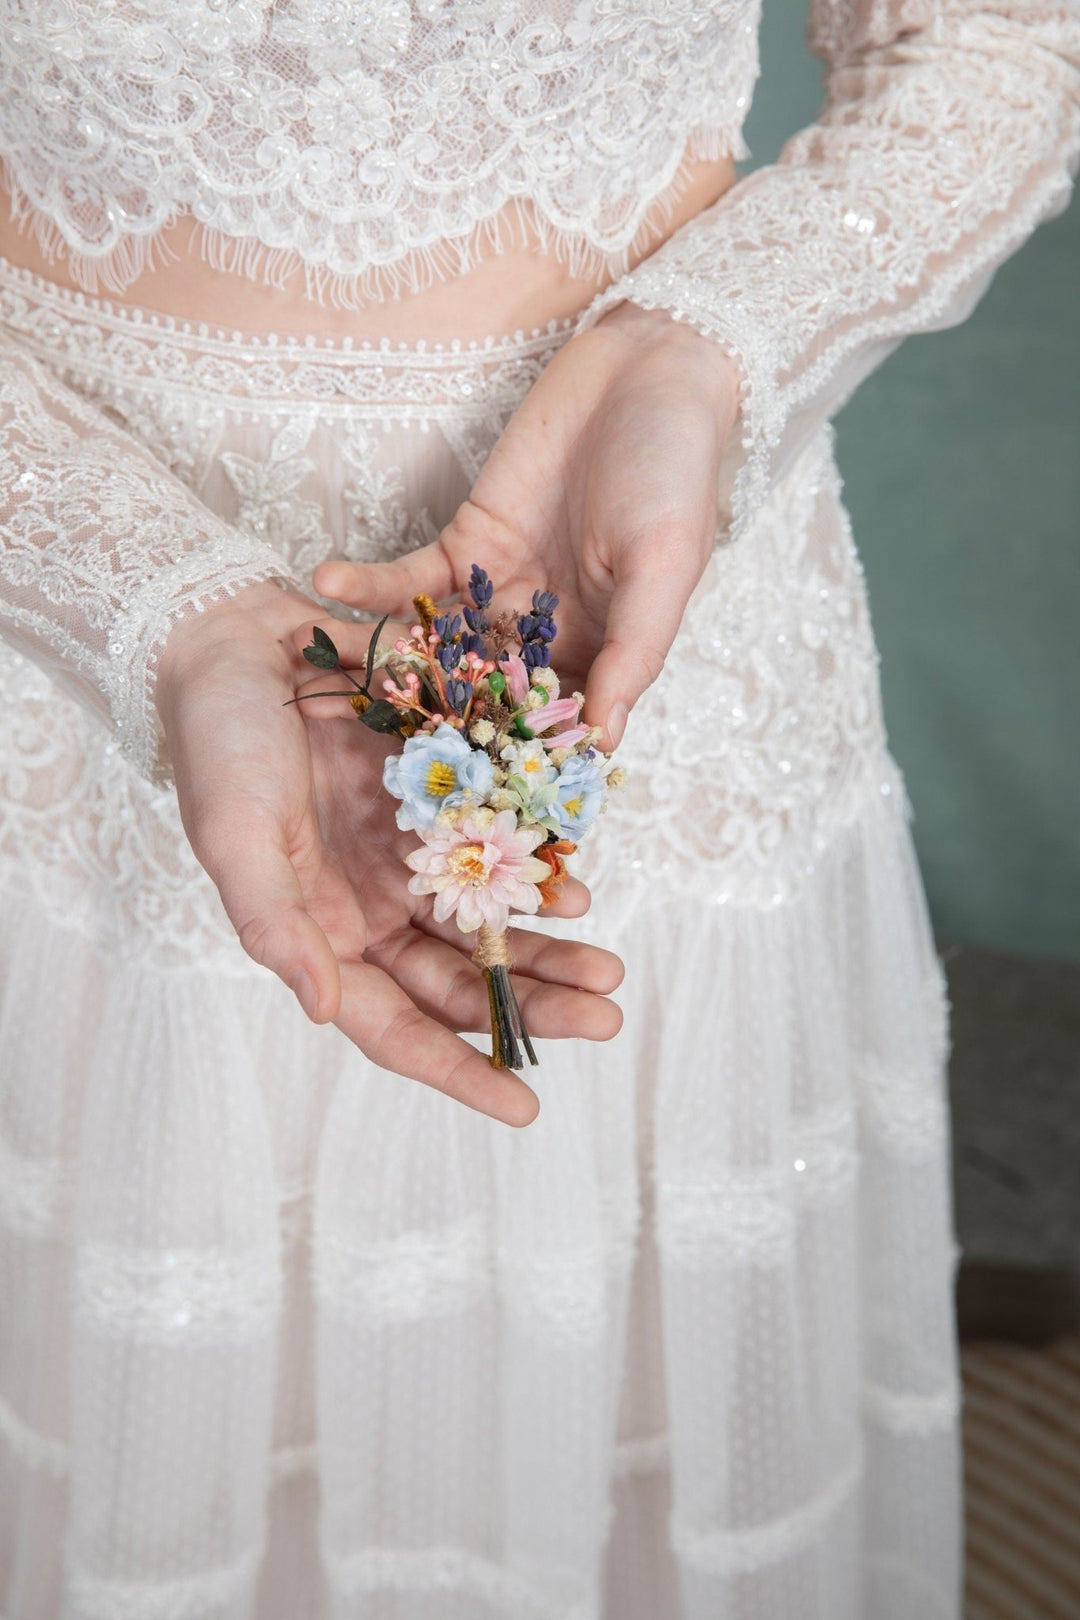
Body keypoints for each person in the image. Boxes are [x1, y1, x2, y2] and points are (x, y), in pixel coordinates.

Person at [0, 2, 1077, 1616]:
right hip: (70, 669)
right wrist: (147, 605)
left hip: (639, 640)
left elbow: (993, 37)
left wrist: (710, 343)